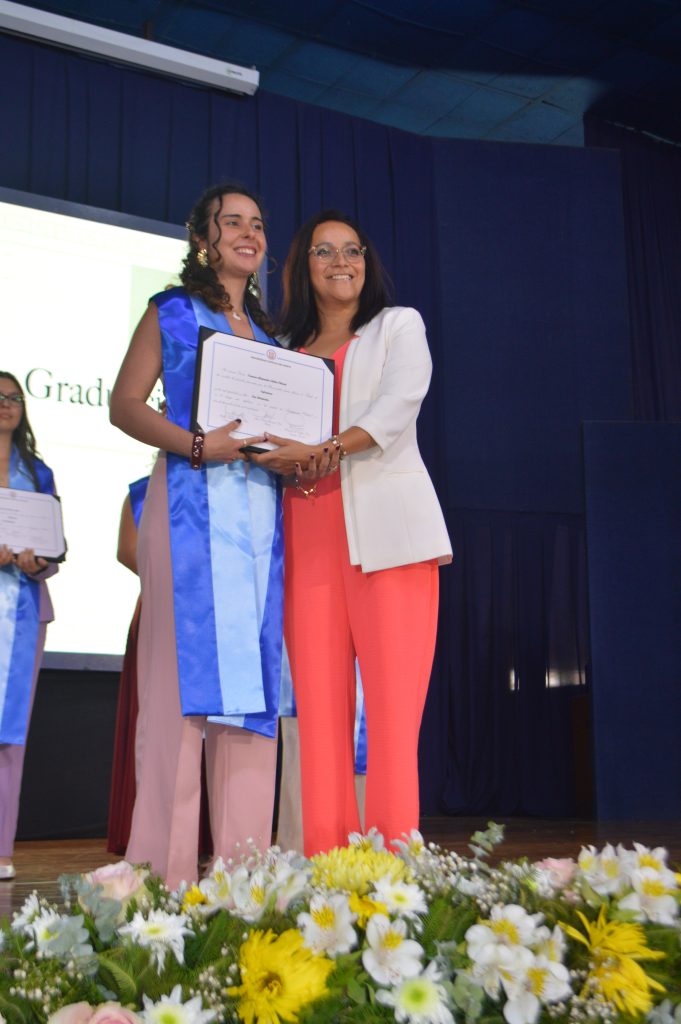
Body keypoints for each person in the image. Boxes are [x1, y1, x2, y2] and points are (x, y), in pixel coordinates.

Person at [253, 211, 452, 855]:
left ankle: (394, 876)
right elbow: (263, 432)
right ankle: (326, 870)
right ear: (302, 267)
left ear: (367, 262)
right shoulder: (283, 351)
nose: (341, 261)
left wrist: (328, 448)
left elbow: (399, 404)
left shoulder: (398, 325)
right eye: (324, 251)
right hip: (306, 532)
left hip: (389, 537)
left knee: (392, 718)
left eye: (352, 250)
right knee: (319, 718)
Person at [109, 183, 283, 888]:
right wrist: (197, 445)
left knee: (253, 699)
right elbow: (124, 404)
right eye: (232, 222)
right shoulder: (171, 311)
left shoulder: (273, 339)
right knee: (176, 694)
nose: (249, 233)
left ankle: (245, 883)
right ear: (203, 239)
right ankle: (160, 880)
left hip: (262, 520)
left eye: (257, 224)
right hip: (186, 504)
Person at [0, 371, 58, 880]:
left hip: (22, 610)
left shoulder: (39, 474)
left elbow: (54, 551)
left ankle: (2, 849)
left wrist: (37, 561)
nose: (6, 405)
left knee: (11, 734)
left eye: (14, 397)